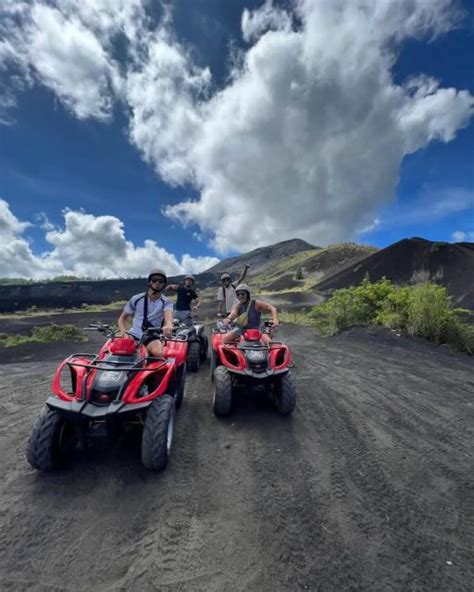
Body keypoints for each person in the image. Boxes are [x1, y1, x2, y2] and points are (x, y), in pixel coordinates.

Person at [118, 268, 173, 358]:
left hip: (151, 336)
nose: (157, 283)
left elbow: (168, 315)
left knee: (158, 353)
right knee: (116, 352)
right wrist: (124, 332)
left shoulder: (166, 302)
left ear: (164, 284)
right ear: (150, 282)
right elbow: (122, 319)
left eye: (161, 281)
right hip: (134, 334)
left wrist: (169, 325)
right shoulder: (136, 299)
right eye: (154, 280)